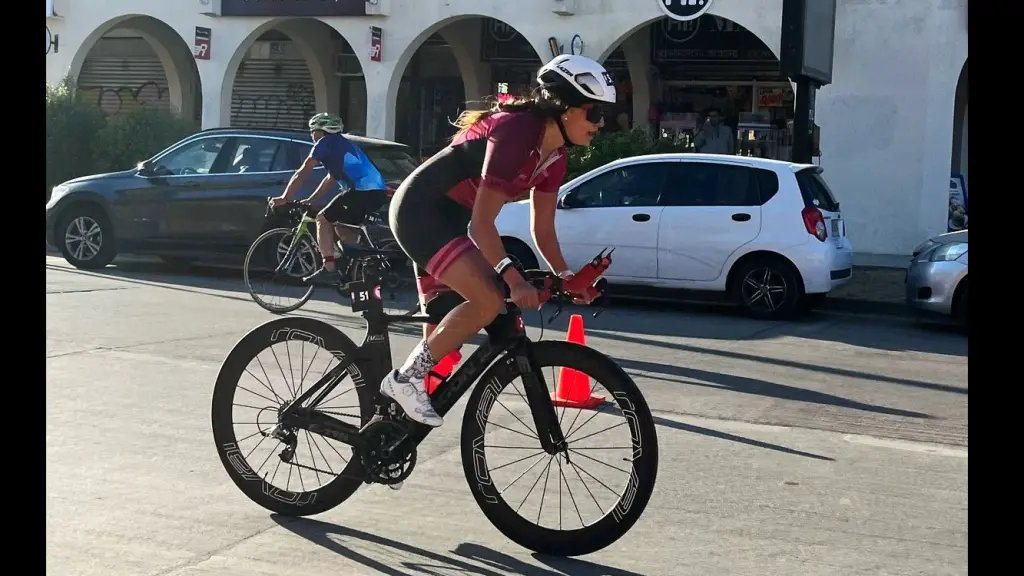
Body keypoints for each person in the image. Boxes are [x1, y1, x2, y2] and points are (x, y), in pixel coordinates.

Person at [381, 54, 615, 427]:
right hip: (420, 211)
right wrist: (513, 278)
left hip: (448, 222)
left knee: (445, 350)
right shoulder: (518, 132)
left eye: (605, 116)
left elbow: (543, 230)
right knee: (489, 298)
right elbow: (483, 223)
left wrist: (568, 276)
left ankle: (389, 437)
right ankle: (403, 380)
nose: (601, 124)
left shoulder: (554, 158)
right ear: (565, 108)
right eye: (595, 113)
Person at [270, 113, 389, 286]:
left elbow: (303, 171)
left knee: (322, 219)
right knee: (341, 225)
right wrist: (311, 199)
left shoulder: (324, 143)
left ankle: (329, 268)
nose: (311, 135)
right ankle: (354, 269)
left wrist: (285, 197)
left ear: (321, 131)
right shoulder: (342, 143)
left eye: (313, 131)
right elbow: (331, 178)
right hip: (375, 192)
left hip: (361, 191)